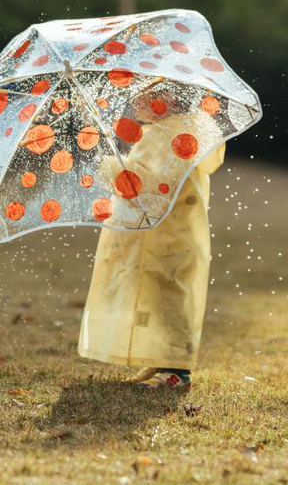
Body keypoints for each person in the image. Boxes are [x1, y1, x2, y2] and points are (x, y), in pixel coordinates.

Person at [78, 86, 225, 390]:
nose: (133, 101)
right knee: (162, 295)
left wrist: (105, 160)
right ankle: (162, 358)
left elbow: (135, 182)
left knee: (166, 298)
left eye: (142, 95)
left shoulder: (159, 137)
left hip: (158, 234)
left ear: (166, 100)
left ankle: (175, 370)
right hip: (178, 231)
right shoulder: (189, 130)